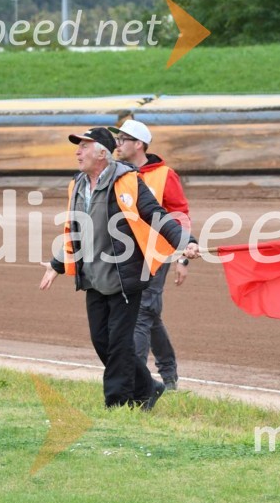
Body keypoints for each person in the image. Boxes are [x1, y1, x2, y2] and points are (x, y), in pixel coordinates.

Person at [39, 126, 199, 410]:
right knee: (102, 341)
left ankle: (116, 404)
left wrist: (185, 242)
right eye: (78, 147)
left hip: (125, 277)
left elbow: (156, 214)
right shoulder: (76, 184)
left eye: (84, 146)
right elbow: (73, 230)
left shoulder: (128, 180)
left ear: (101, 152)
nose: (77, 152)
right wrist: (57, 264)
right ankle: (148, 388)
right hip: (94, 277)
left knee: (119, 343)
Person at [111, 119, 189, 391]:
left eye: (122, 139)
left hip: (160, 254)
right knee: (150, 315)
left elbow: (180, 216)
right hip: (129, 255)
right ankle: (169, 375)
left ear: (139, 144)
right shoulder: (119, 173)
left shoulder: (166, 175)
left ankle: (136, 382)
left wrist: (183, 257)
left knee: (142, 311)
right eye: (117, 139)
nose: (117, 144)